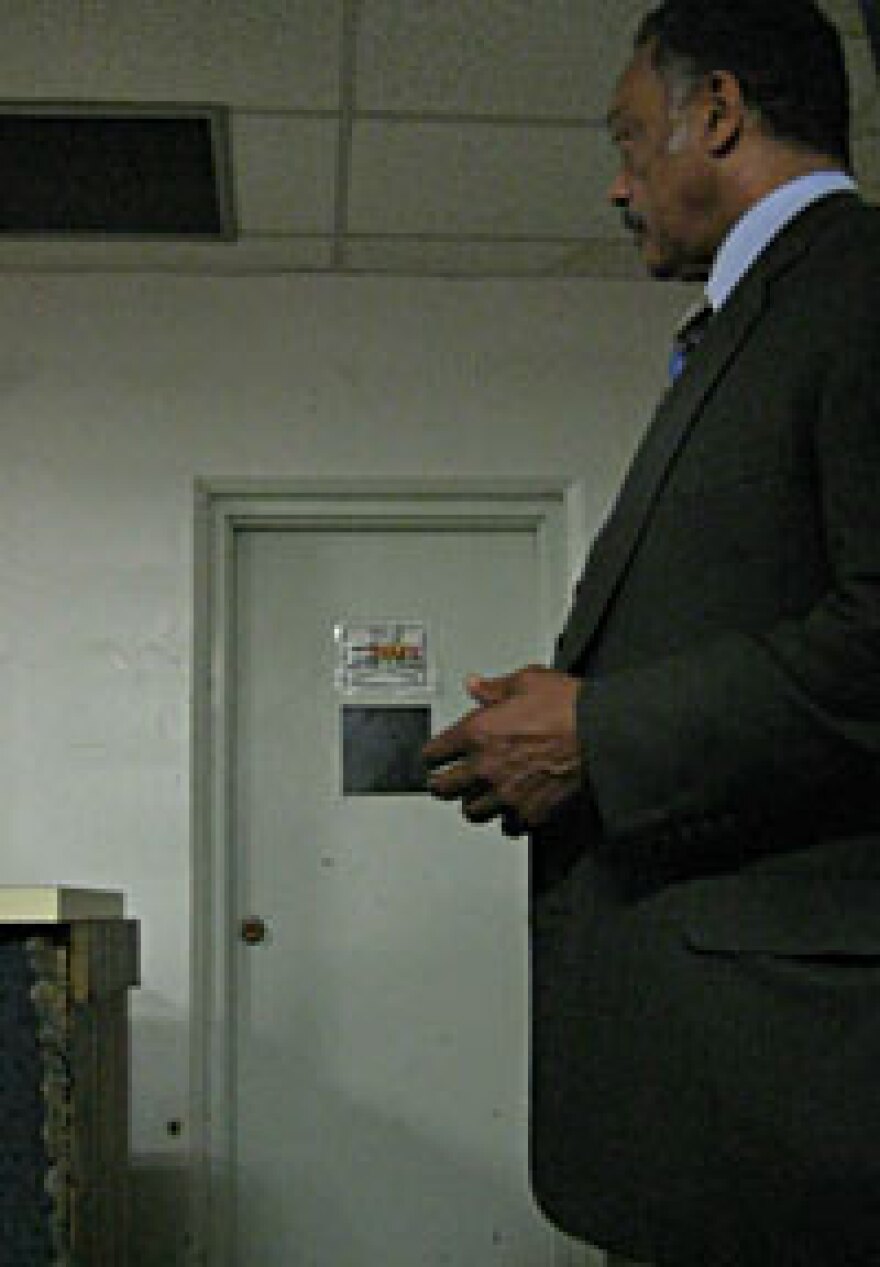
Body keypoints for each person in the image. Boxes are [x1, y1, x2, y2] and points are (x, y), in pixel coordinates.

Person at [423, 1, 880, 1263]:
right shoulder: (756, 323)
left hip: (795, 1097)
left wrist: (601, 730)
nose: (618, 186)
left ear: (718, 112)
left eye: (631, 139)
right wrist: (578, 693)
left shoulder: (855, 286)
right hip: (725, 1084)